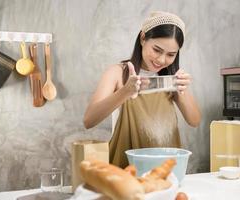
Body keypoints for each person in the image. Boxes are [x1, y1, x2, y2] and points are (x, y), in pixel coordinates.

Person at [84, 11, 201, 168]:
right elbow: (89, 120)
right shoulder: (117, 72)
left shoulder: (171, 79)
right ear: (143, 38)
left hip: (165, 171)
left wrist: (182, 89)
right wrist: (125, 91)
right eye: (157, 50)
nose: (161, 60)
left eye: (171, 54)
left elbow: (194, 121)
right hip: (126, 171)